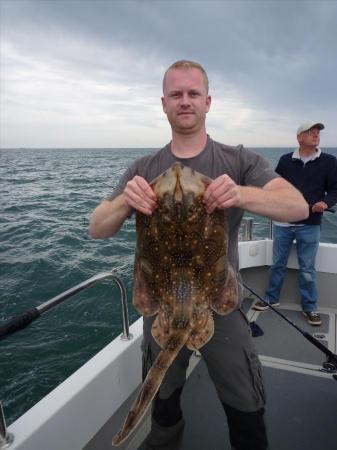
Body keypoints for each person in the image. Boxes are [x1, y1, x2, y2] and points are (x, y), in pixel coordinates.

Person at [89, 60, 308, 450]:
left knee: (245, 403)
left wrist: (241, 193)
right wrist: (126, 200)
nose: (185, 101)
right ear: (164, 103)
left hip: (218, 306)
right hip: (163, 307)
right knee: (164, 397)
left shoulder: (238, 160)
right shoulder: (143, 168)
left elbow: (297, 207)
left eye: (193, 94)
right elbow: (97, 228)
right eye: (176, 94)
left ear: (208, 101)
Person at [253, 122, 337, 326]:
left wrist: (325, 202)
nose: (316, 134)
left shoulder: (329, 161)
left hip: (310, 224)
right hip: (282, 223)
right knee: (277, 264)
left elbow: (335, 189)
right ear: (300, 137)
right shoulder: (285, 160)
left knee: (307, 269)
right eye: (311, 132)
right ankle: (271, 298)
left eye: (318, 132)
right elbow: (275, 186)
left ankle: (310, 307)